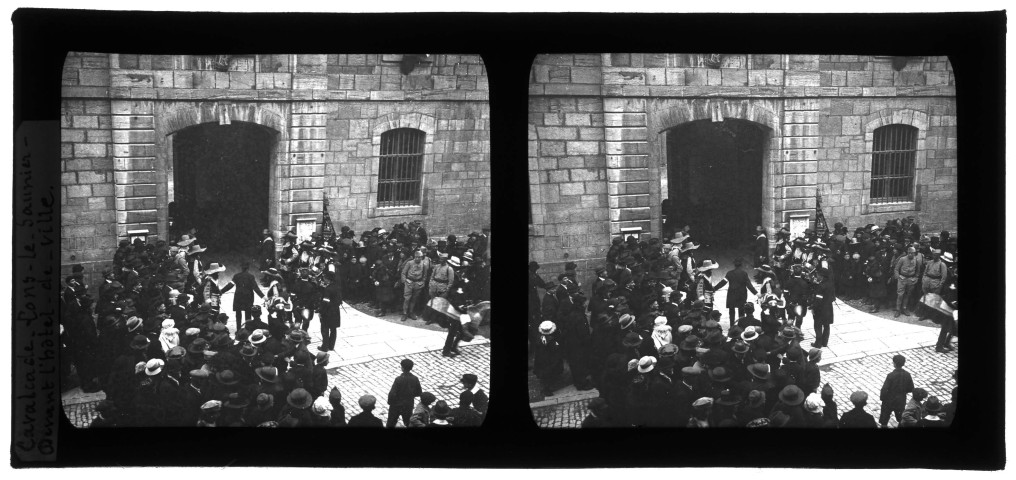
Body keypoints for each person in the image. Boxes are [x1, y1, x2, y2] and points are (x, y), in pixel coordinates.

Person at [714, 257, 758, 322]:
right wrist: (756, 293)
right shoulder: (744, 274)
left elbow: (723, 282)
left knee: (731, 312)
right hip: (742, 295)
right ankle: (741, 324)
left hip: (732, 294)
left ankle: (732, 325)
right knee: (741, 311)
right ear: (741, 265)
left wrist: (714, 288)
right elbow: (749, 285)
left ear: (734, 265)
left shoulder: (729, 273)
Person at [879, 354, 915, 428]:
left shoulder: (890, 375)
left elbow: (884, 389)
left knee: (884, 419)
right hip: (901, 400)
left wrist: (883, 398)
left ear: (894, 363)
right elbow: (911, 388)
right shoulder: (907, 375)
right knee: (901, 418)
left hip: (888, 401)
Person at [386, 359, 423, 428]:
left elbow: (392, 393)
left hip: (396, 405)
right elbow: (419, 392)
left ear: (402, 368)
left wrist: (390, 402)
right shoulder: (415, 379)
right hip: (408, 405)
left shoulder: (398, 379)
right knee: (408, 422)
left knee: (391, 422)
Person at [231, 261, 265, 332]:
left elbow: (230, 285)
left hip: (238, 297)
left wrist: (221, 291)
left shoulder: (236, 276)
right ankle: (247, 329)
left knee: (238, 314)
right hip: (248, 298)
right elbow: (255, 288)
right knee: (248, 314)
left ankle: (238, 329)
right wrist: (263, 296)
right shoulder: (251, 277)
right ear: (248, 268)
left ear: (241, 268)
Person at [400, 250, 429, 321]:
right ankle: (404, 313)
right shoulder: (409, 263)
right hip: (409, 282)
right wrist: (405, 281)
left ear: (422, 257)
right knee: (407, 298)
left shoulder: (424, 264)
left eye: (419, 257)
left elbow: (425, 275)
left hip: (418, 284)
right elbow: (403, 273)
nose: (417, 259)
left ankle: (411, 312)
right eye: (416, 257)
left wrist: (422, 282)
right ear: (414, 257)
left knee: (414, 299)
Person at [318, 271, 342, 352]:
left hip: (327, 312)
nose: (323, 280)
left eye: (325, 278)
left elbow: (325, 302)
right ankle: (331, 346)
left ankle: (324, 347)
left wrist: (320, 312)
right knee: (333, 329)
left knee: (324, 329)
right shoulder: (337, 287)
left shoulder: (328, 289)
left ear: (328, 279)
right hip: (336, 311)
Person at [810, 268, 835, 348]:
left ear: (822, 276)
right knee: (826, 326)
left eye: (818, 274)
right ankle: (824, 342)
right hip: (828, 308)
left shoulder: (821, 286)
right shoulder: (831, 284)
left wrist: (813, 308)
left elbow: (818, 300)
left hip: (820, 309)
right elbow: (833, 297)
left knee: (818, 326)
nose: (817, 276)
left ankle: (818, 344)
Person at [893, 246, 921, 317]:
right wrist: (898, 276)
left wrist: (915, 278)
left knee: (907, 294)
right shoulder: (902, 259)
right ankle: (898, 309)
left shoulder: (916, 260)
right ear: (907, 252)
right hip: (902, 279)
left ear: (915, 253)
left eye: (912, 253)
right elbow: (896, 269)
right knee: (900, 294)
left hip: (910, 279)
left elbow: (918, 271)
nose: (910, 254)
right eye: (909, 253)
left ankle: (904, 308)